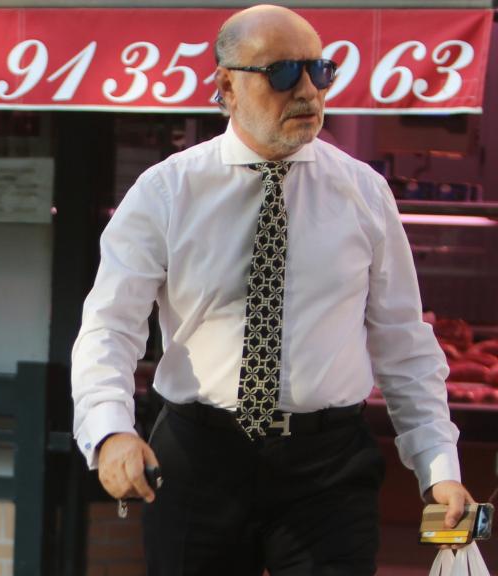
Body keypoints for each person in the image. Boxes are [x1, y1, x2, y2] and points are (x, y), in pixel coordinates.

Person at [71, 5, 477, 575]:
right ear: (226, 86)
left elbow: (403, 340)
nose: (308, 90)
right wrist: (110, 429)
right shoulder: (166, 192)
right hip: (199, 456)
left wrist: (440, 468)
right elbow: (109, 327)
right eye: (284, 73)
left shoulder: (363, 192)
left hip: (328, 468)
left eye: (320, 71)